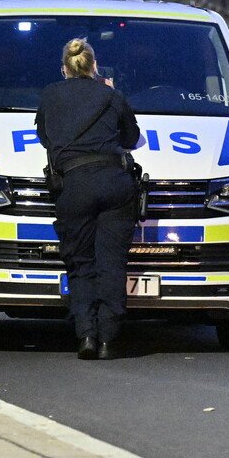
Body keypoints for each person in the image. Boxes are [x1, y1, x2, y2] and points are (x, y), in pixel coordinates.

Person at [36, 37, 142, 360]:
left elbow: (45, 137)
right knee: (112, 262)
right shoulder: (111, 95)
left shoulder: (50, 96)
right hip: (114, 184)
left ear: (64, 69)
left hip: (74, 186)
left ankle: (86, 336)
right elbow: (131, 137)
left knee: (81, 264)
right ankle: (109, 338)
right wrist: (108, 92)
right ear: (94, 67)